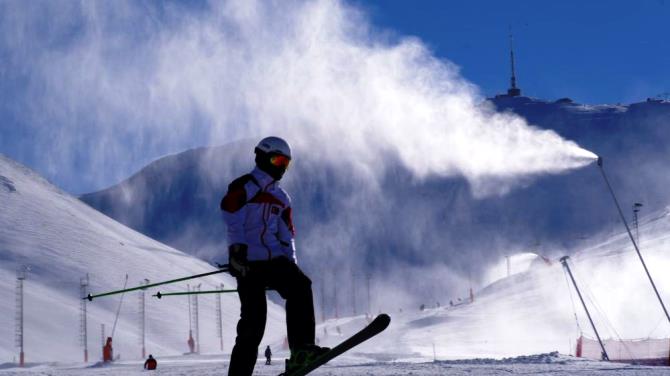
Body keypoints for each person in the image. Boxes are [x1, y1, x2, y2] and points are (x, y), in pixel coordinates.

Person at [221, 136, 329, 376]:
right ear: (261, 157)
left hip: (274, 261)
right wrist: (236, 253)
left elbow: (287, 235)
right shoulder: (244, 186)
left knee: (301, 286)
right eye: (277, 160)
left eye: (286, 163)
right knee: (254, 323)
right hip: (249, 264)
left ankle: (302, 351)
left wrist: (291, 266)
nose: (281, 167)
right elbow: (231, 216)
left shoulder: (282, 198)